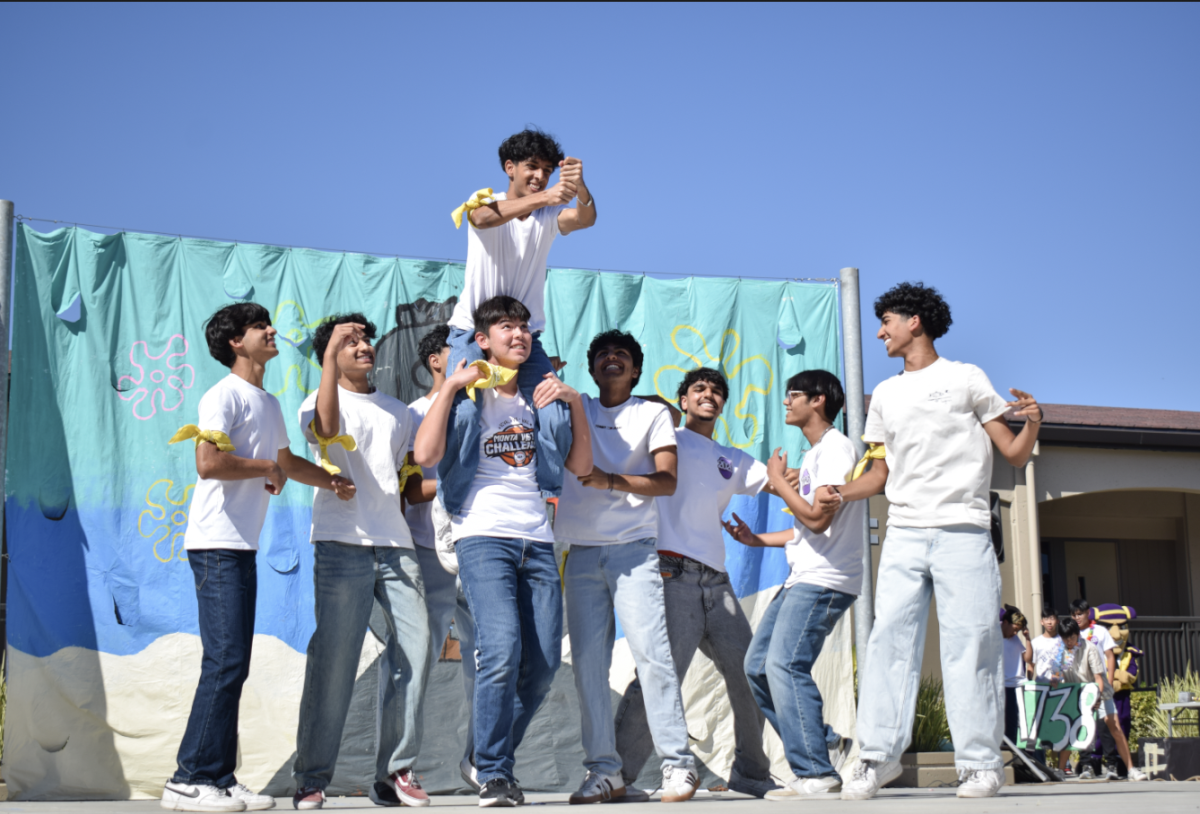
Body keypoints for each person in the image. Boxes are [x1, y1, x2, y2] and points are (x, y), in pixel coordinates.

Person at [817, 282, 1044, 800]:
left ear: (915, 320)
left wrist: (1033, 422)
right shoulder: (886, 395)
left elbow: (1011, 453)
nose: (880, 332)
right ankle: (876, 758)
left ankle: (979, 765)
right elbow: (878, 472)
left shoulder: (965, 378)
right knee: (888, 643)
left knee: (972, 645)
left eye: (887, 322)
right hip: (903, 532)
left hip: (963, 529)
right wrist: (840, 493)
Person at [162, 303, 353, 813]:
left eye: (269, 323)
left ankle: (219, 778)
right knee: (224, 662)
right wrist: (264, 465)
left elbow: (286, 461)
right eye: (258, 327)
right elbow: (208, 462)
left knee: (234, 664)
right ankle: (188, 778)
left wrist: (329, 480)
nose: (271, 331)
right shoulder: (221, 395)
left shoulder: (267, 403)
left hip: (239, 547)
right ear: (234, 343)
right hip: (214, 545)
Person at [413, 295, 593, 807]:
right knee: (499, 648)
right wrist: (449, 385)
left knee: (541, 664)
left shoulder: (542, 398)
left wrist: (574, 402)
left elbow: (580, 466)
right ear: (483, 340)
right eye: (505, 328)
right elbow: (425, 457)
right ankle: (495, 772)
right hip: (482, 535)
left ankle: (481, 755)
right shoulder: (464, 397)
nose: (518, 335)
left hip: (536, 539)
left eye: (524, 328)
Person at [290, 315, 432, 810]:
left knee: (417, 649)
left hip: (396, 545)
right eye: (349, 342)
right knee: (335, 659)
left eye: (364, 339)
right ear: (330, 353)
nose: (363, 346)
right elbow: (326, 430)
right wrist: (328, 357)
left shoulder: (399, 412)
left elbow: (409, 480)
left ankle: (394, 773)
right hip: (340, 542)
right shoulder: (319, 399)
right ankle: (311, 777)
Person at [553, 331, 700, 804]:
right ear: (592, 369)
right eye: (602, 355)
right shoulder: (577, 409)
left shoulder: (652, 413)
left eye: (622, 355)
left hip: (634, 551)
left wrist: (608, 480)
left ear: (635, 370)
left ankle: (678, 765)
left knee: (652, 656)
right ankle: (605, 771)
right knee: (588, 669)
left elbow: (666, 481)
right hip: (580, 553)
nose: (611, 359)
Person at [439, 129, 598, 528]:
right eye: (532, 167)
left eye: (547, 171)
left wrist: (579, 188)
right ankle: (453, 507)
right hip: (471, 335)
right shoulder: (487, 202)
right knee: (461, 416)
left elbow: (585, 218)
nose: (540, 176)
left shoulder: (547, 216)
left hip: (526, 341)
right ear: (509, 168)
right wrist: (546, 196)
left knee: (556, 415)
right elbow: (480, 217)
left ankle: (546, 497)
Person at [727, 369, 863, 799]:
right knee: (758, 667)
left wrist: (781, 482)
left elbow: (818, 521)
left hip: (824, 580)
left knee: (785, 665)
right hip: (802, 576)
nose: (787, 402)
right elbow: (805, 528)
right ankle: (820, 743)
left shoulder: (836, 449)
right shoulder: (818, 452)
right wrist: (757, 539)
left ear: (818, 401)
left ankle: (816, 771)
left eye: (794, 395)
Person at [406, 324, 480, 791]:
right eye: (461, 352)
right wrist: (461, 479)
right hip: (426, 552)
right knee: (417, 660)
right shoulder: (412, 413)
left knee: (489, 658)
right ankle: (400, 766)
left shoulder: (485, 409)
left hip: (480, 550)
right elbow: (412, 489)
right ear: (438, 360)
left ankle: (481, 759)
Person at [1056, 618, 1148, 782]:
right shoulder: (1061, 650)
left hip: (1100, 692)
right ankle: (1060, 770)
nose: (1068, 641)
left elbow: (1098, 678)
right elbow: (1057, 675)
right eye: (1065, 638)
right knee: (1071, 731)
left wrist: (1096, 698)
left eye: (1071, 637)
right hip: (1076, 693)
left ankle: (1131, 769)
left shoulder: (1090, 648)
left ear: (1077, 634)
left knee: (1115, 728)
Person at [1070, 599, 1118, 779]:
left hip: (1101, 683)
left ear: (1088, 613)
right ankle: (1086, 766)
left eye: (1080, 613)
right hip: (1082, 685)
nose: (1077, 617)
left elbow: (1110, 656)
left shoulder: (1100, 631)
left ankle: (1111, 765)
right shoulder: (1071, 633)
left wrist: (1110, 681)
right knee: (1084, 726)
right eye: (1074, 614)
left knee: (1105, 725)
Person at [1000, 606, 1034, 749]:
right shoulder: (994, 635)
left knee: (1021, 723)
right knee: (1006, 721)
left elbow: (1028, 658)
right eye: (1014, 629)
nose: (1015, 633)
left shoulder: (1015, 640)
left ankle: (1014, 751)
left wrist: (1027, 638)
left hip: (1018, 684)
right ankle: (1007, 750)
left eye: (1018, 631)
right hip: (1003, 685)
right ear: (1005, 622)